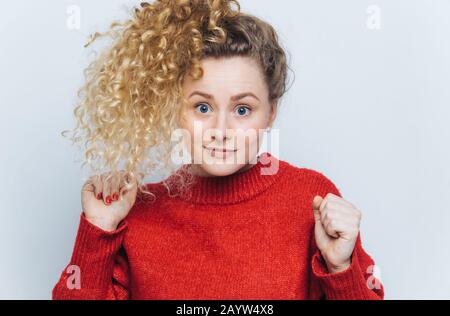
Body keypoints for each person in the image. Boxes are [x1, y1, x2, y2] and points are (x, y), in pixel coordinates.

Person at [53, 0, 384, 300]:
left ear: (271, 112)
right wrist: (97, 232)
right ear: (172, 108)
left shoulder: (310, 200)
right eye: (202, 108)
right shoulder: (138, 215)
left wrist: (341, 267)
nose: (222, 132)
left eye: (242, 110)